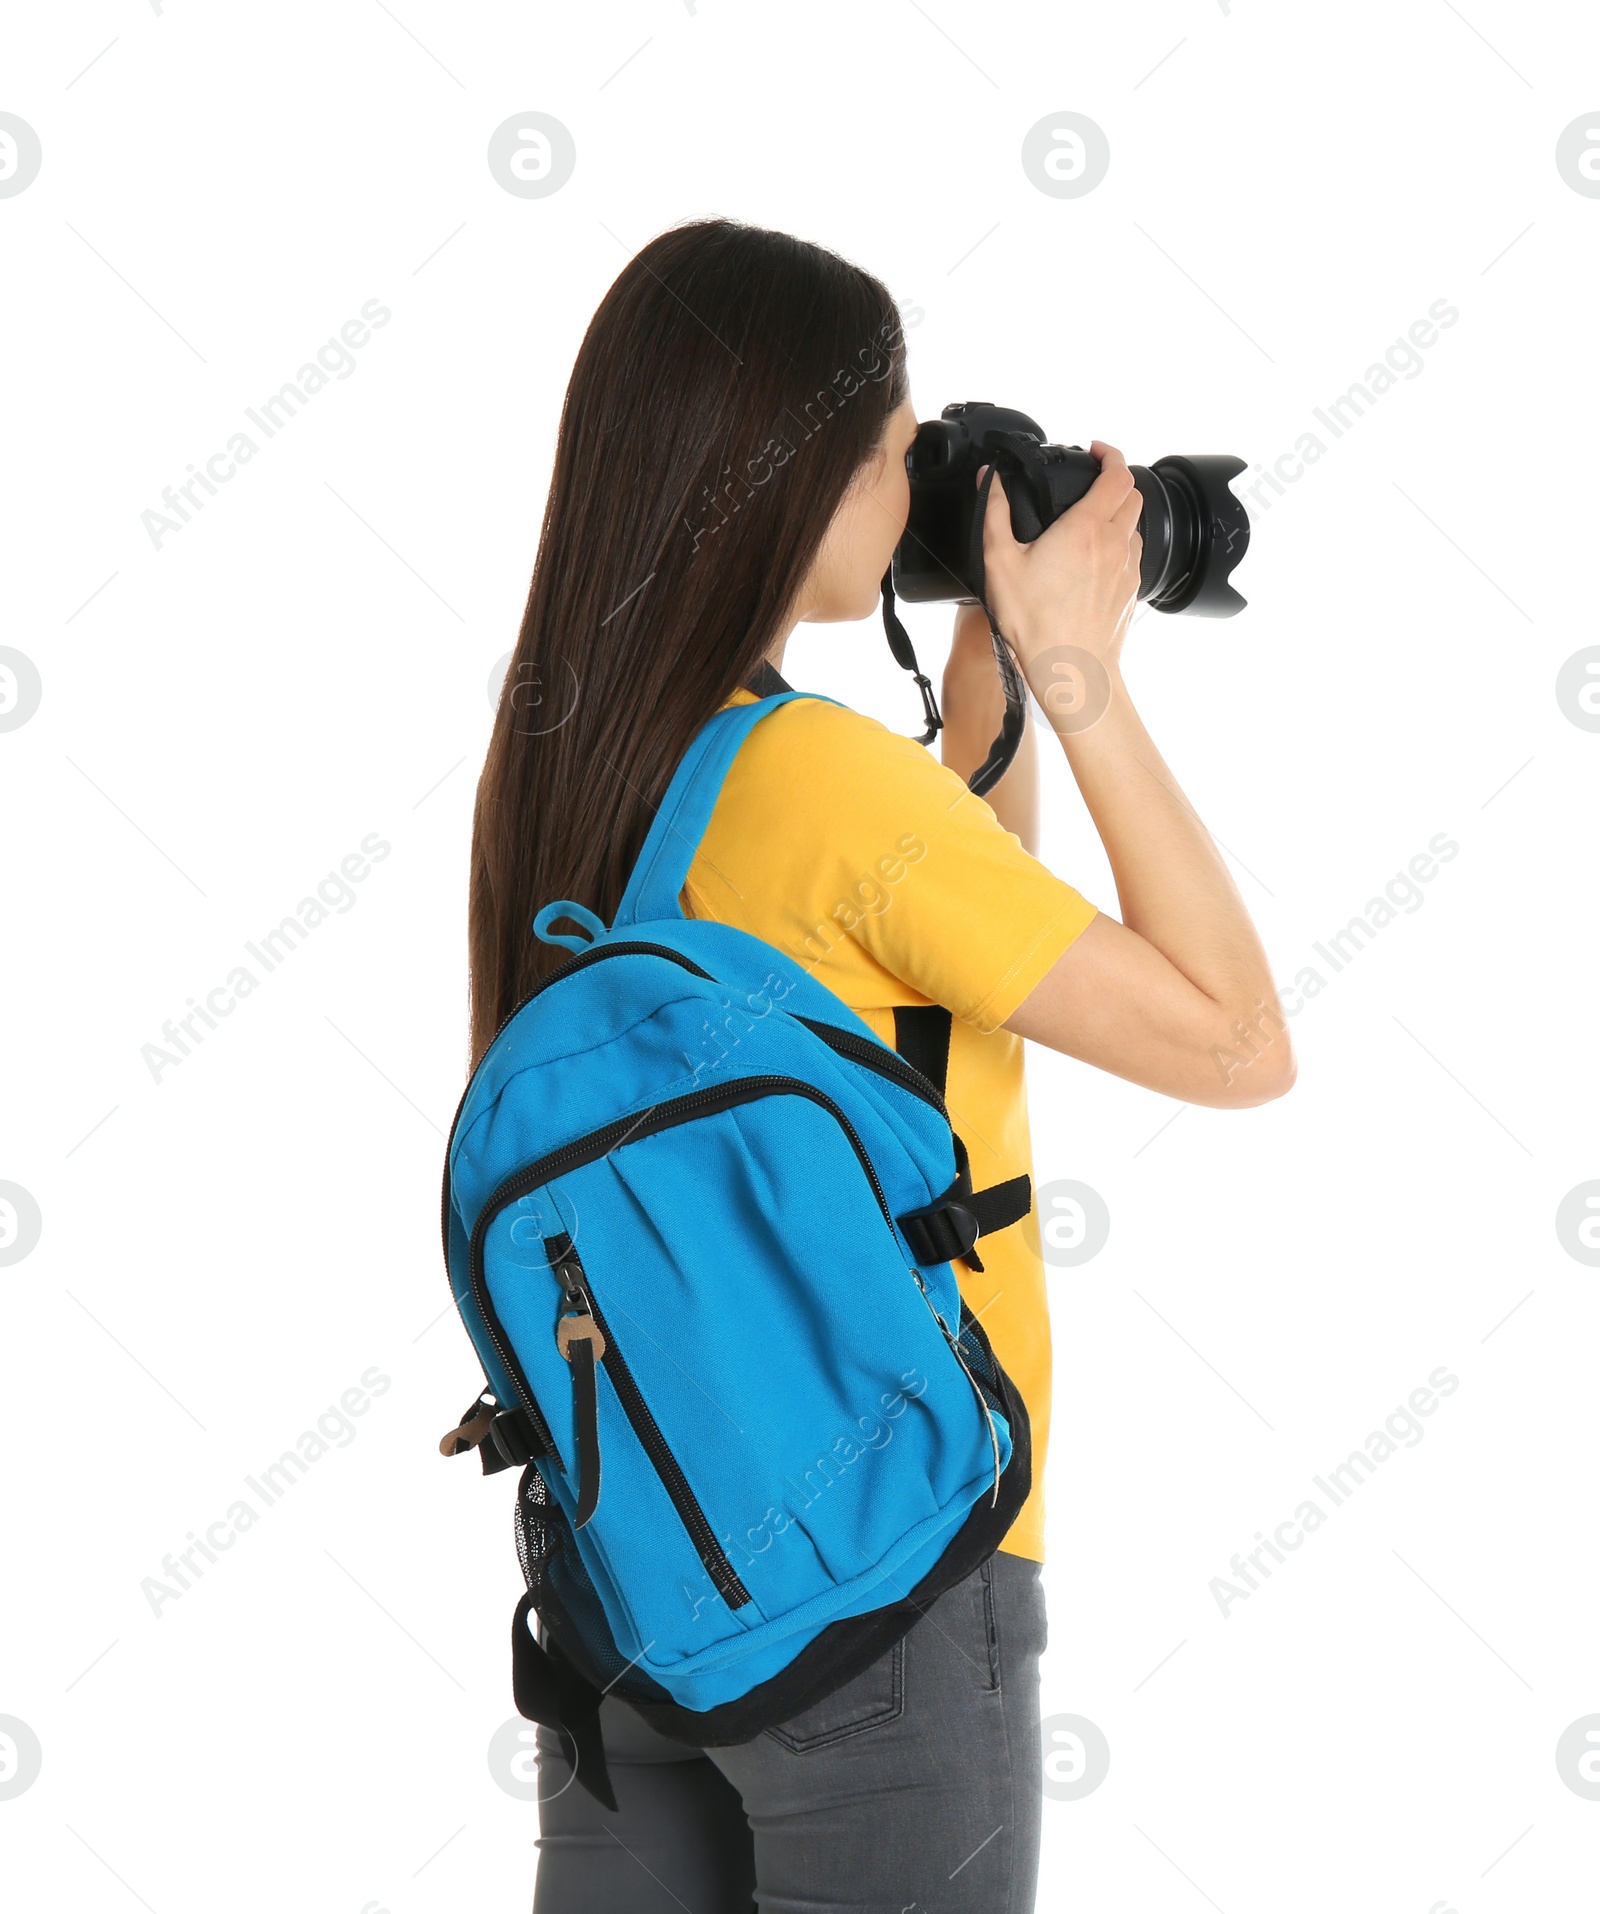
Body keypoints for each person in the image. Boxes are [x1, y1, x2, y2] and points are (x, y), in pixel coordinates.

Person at [468, 218, 1294, 1914]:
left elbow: (914, 1015)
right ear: (795, 486)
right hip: (891, 1563)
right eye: (890, 449)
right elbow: (1233, 1039)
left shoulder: (576, 762)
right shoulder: (831, 783)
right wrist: (1078, 682)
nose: (911, 479)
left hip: (639, 1582)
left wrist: (986, 681)